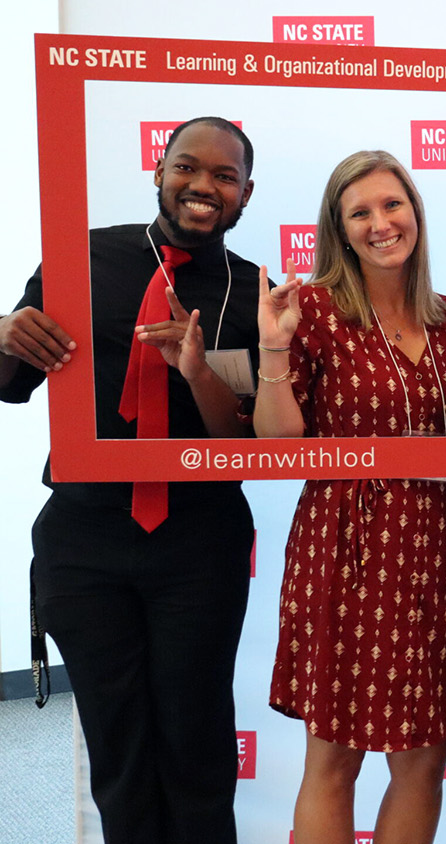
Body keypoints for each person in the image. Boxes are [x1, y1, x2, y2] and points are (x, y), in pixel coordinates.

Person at [0, 117, 258, 843]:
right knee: (118, 748)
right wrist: (1, 330)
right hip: (84, 542)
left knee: (198, 741)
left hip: (199, 544)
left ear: (245, 194)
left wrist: (198, 369)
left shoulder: (253, 292)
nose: (204, 185)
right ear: (159, 169)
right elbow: (10, 380)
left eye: (225, 176)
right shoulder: (77, 257)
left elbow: (245, 443)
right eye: (188, 166)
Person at [254, 150, 446, 844]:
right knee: (335, 757)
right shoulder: (311, 310)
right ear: (339, 229)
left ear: (415, 212)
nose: (382, 223)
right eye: (361, 213)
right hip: (345, 544)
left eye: (393, 205)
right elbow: (279, 443)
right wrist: (272, 353)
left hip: (435, 546)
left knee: (423, 758)